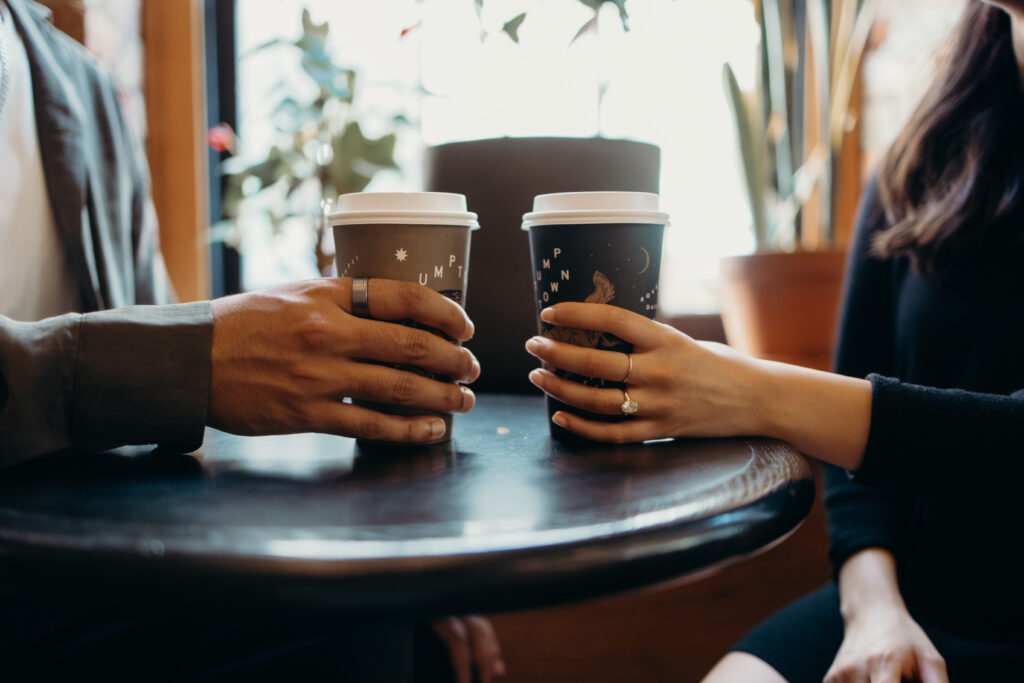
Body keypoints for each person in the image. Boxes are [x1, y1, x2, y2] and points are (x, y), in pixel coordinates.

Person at [0, 1, 502, 680]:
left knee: (388, 617)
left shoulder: (78, 86)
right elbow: (162, 360)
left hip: (86, 560)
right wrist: (195, 355)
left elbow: (148, 411)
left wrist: (389, 564)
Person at [525, 1, 1024, 681]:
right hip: (899, 603)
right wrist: (874, 609)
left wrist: (750, 390)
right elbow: (860, 474)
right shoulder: (921, 163)